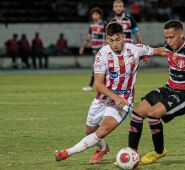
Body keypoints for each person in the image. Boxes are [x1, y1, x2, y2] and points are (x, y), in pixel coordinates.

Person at [54, 23, 167, 164]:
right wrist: (114, 97)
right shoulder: (102, 54)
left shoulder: (136, 49)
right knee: (90, 132)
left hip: (124, 101)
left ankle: (66, 153)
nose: (115, 44)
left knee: (102, 131)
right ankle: (102, 149)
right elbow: (98, 84)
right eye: (111, 40)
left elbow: (160, 51)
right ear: (107, 39)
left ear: (123, 37)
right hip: (103, 99)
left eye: (118, 39)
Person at [127, 20, 185, 164]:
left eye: (172, 37)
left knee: (153, 114)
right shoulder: (171, 46)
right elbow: (164, 50)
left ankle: (159, 151)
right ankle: (131, 155)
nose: (169, 41)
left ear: (181, 34)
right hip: (169, 88)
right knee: (137, 113)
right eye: (166, 38)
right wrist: (145, 54)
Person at [80, 7, 107, 92]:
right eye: (93, 14)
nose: (95, 16)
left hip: (102, 49)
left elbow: (108, 36)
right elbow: (89, 37)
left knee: (96, 67)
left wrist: (107, 46)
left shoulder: (104, 24)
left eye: (97, 14)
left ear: (100, 15)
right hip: (94, 49)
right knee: (100, 68)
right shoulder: (91, 25)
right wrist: (82, 47)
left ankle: (91, 85)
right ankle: (100, 85)